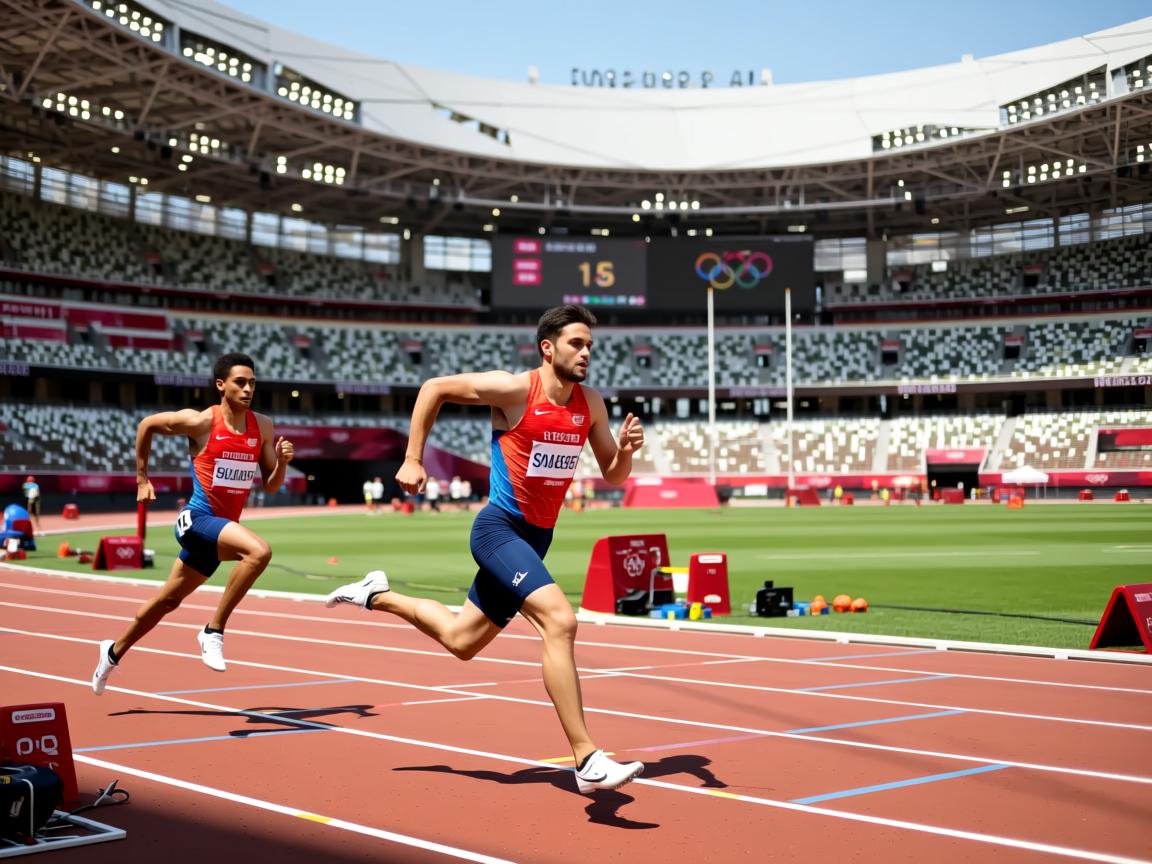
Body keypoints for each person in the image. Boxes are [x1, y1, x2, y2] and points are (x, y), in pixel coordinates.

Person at [326, 304, 645, 794]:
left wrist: (624, 451)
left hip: (537, 538)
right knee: (560, 621)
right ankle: (586, 758)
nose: (585, 353)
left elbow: (612, 475)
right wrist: (413, 459)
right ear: (548, 347)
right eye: (576, 344)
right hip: (499, 530)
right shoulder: (516, 390)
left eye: (589, 346)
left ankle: (376, 594)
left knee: (461, 641)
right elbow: (434, 388)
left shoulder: (592, 403)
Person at [92, 352, 294, 694]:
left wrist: (284, 463)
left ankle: (111, 654)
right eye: (240, 383)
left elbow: (271, 484)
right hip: (196, 520)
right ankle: (213, 631)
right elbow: (147, 425)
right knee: (259, 552)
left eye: (252, 383)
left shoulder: (263, 426)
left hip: (220, 533)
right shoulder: (201, 422)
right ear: (221, 386)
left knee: (166, 602)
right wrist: (143, 478)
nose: (248, 389)